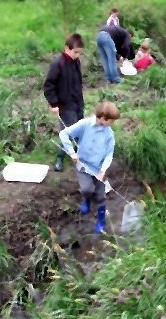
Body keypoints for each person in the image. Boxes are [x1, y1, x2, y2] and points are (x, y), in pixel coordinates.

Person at [59, 101, 120, 233]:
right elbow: (64, 134)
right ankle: (86, 200)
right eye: (112, 121)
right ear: (104, 118)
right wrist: (72, 153)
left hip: (99, 169)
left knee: (100, 196)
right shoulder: (84, 124)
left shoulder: (109, 134)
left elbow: (109, 154)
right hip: (83, 166)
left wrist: (103, 170)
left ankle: (101, 221)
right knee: (87, 189)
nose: (112, 124)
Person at [44, 33, 84, 172]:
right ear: (67, 48)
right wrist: (54, 104)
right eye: (75, 52)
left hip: (78, 102)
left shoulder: (76, 61)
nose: (77, 55)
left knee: (80, 130)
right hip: (65, 105)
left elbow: (78, 82)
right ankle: (60, 157)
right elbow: (48, 86)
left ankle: (79, 155)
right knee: (68, 132)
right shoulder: (58, 64)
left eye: (80, 53)